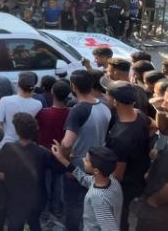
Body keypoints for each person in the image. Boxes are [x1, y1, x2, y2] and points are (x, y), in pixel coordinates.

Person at [60, 70, 112, 231]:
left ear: (73, 87)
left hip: (79, 163)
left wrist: (65, 161)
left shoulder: (78, 110)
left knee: (73, 205)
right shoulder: (104, 106)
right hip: (98, 164)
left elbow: (67, 143)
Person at [0, 113, 62, 231]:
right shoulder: (43, 152)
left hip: (15, 197)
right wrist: (60, 154)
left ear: (17, 131)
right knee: (34, 221)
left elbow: (1, 175)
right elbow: (59, 169)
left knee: (15, 224)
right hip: (37, 198)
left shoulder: (7, 148)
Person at [104, 82, 151, 231]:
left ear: (115, 102)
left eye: (107, 96)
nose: (105, 98)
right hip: (138, 174)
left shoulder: (121, 137)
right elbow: (154, 126)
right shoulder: (139, 114)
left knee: (118, 218)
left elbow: (118, 175)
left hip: (125, 185)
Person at [135, 83, 168, 230]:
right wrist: (161, 109)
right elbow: (165, 129)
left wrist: (154, 201)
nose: (164, 105)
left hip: (164, 212)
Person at [51, 144, 123, 231]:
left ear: (96, 170)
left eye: (87, 160)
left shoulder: (98, 198)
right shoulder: (112, 181)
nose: (83, 160)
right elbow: (83, 178)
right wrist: (61, 158)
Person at [36, 80, 71, 216]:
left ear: (52, 92)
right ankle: (56, 209)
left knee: (45, 181)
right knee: (58, 182)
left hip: (44, 152)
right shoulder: (71, 113)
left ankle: (44, 209)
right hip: (61, 153)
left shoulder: (43, 113)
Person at [0, 72, 43, 147]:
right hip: (26, 145)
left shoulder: (5, 100)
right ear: (33, 87)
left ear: (18, 85)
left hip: (5, 144)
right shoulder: (38, 104)